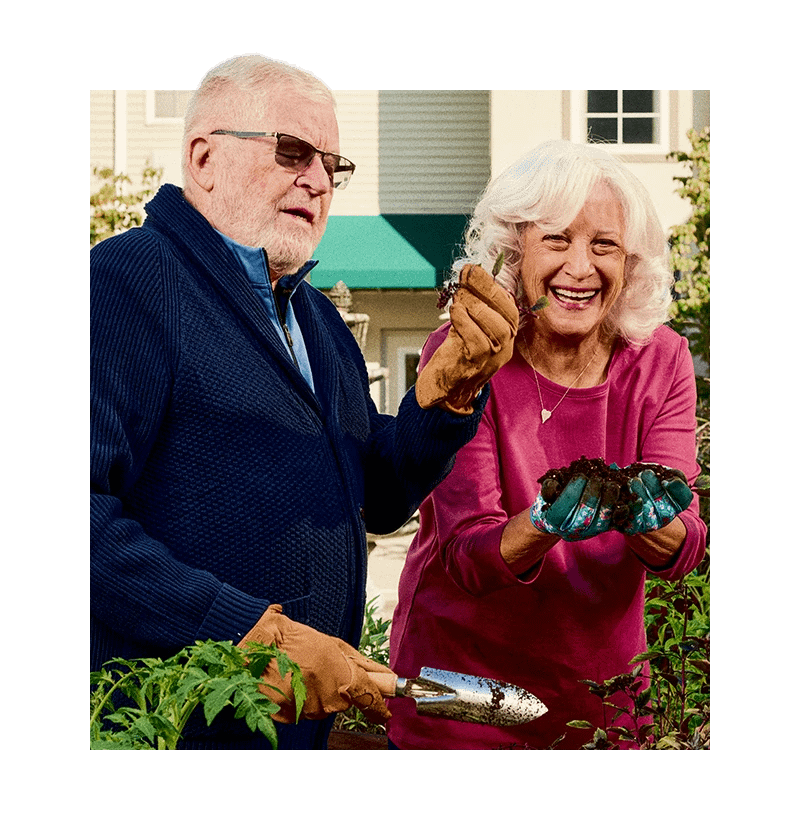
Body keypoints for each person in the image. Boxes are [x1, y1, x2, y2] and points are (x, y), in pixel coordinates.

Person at [89, 55, 517, 750]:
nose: (318, 180)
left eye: (333, 166)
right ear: (204, 158)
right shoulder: (122, 285)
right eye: (293, 152)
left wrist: (444, 401)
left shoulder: (313, 316)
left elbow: (374, 493)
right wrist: (242, 633)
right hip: (171, 729)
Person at [387, 139, 708, 750]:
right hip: (464, 691)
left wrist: (650, 517)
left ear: (630, 262)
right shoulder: (467, 356)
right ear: (517, 252)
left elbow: (684, 542)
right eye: (556, 240)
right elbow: (465, 555)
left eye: (604, 244)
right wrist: (544, 521)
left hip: (603, 695)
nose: (580, 267)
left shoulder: (660, 360)